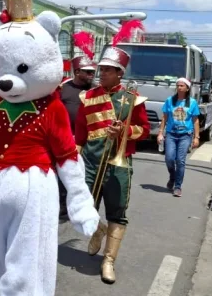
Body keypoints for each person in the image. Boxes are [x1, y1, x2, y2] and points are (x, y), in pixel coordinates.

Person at [75, 45, 150, 285]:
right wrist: (73, 158)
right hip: (90, 161)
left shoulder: (132, 98)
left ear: (120, 73)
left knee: (118, 211)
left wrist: (124, 130)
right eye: (101, 69)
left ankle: (108, 260)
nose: (102, 73)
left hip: (119, 163)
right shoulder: (87, 96)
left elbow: (145, 130)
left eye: (108, 70)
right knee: (82, 207)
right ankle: (98, 230)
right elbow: (80, 133)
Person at [57, 46, 97, 218]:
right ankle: (62, 204)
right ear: (78, 71)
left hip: (89, 140)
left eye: (92, 72)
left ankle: (81, 206)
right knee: (62, 173)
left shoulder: (96, 90)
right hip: (65, 137)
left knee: (83, 174)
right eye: (87, 72)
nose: (91, 75)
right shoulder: (62, 88)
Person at [157, 78, 200, 197]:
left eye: (182, 85)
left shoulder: (192, 102)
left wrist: (197, 137)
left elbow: (195, 121)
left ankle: (177, 186)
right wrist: (160, 133)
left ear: (187, 88)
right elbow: (164, 117)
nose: (179, 87)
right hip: (171, 134)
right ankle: (172, 176)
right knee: (169, 158)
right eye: (178, 85)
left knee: (180, 161)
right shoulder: (170, 101)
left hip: (185, 135)